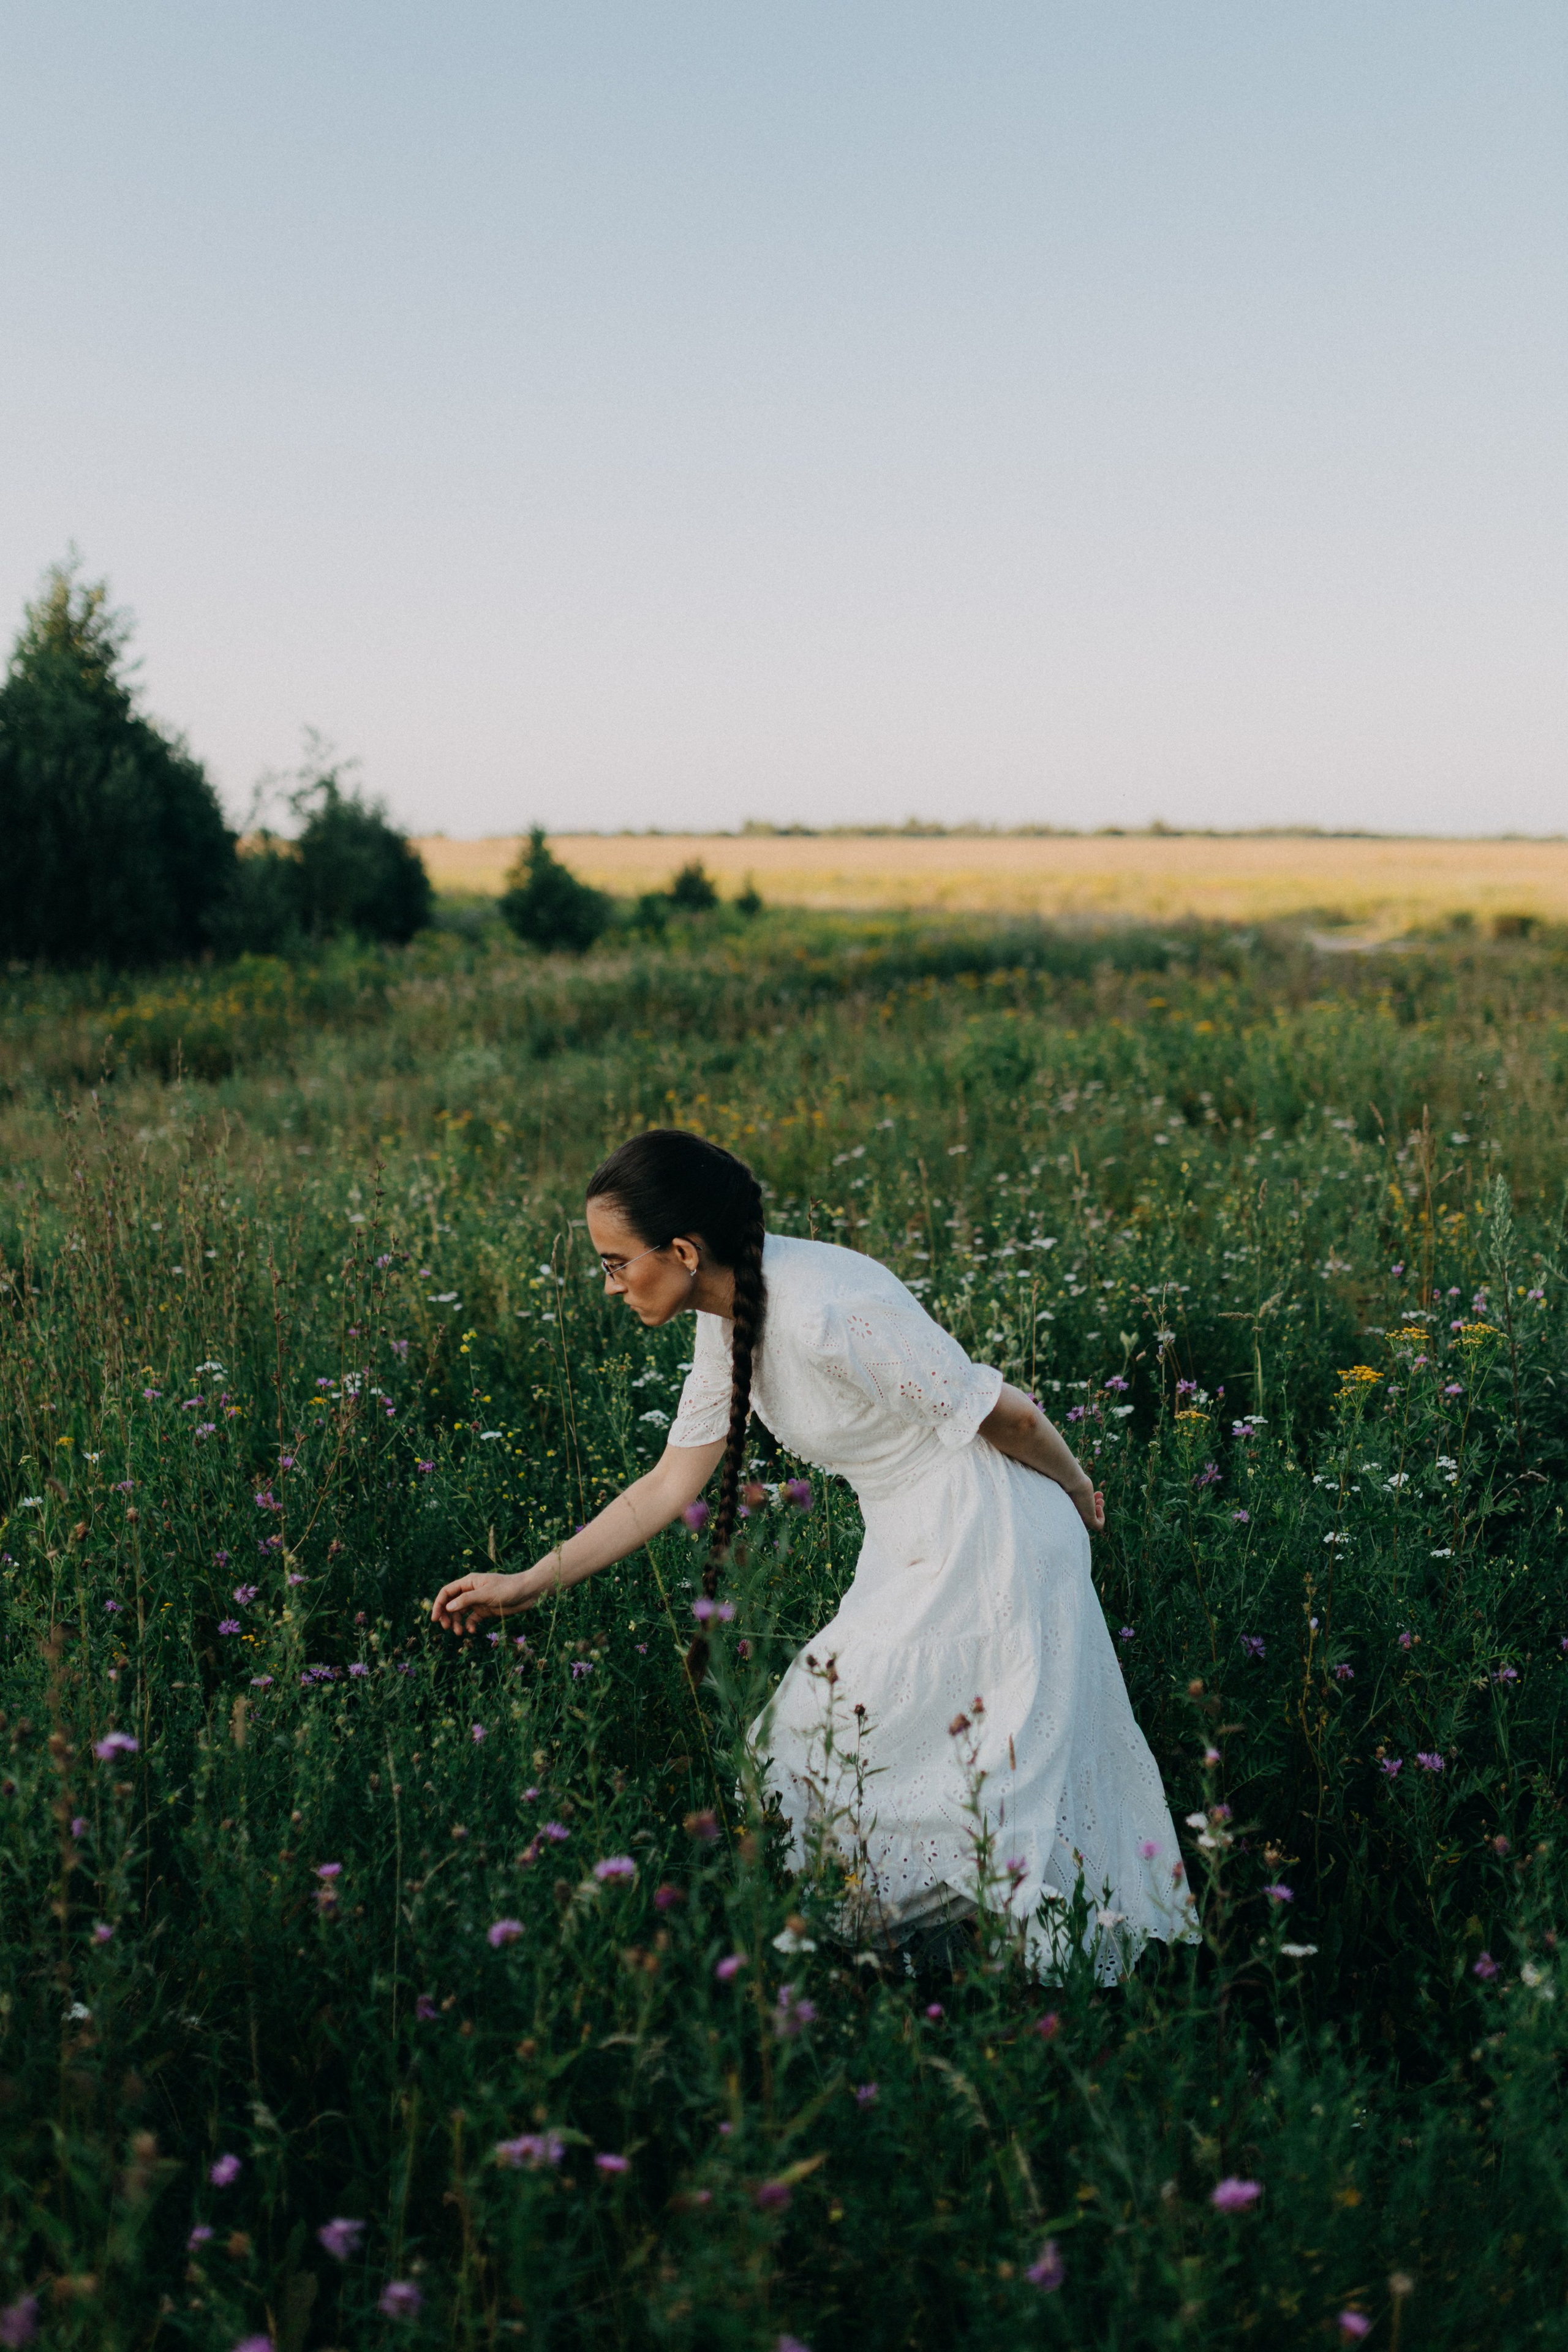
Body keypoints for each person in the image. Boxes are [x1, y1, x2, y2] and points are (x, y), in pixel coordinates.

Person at [431, 1128, 1195, 1974]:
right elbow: (668, 1484)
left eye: (615, 1263)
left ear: (682, 1251)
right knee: (811, 1755)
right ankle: (916, 1962)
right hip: (914, 1537)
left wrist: (1079, 1493)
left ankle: (1016, 1971)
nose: (609, 1285)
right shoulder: (729, 1315)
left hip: (995, 1533)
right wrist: (530, 1582)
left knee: (941, 1766)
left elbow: (1003, 1413)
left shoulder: (826, 1310)